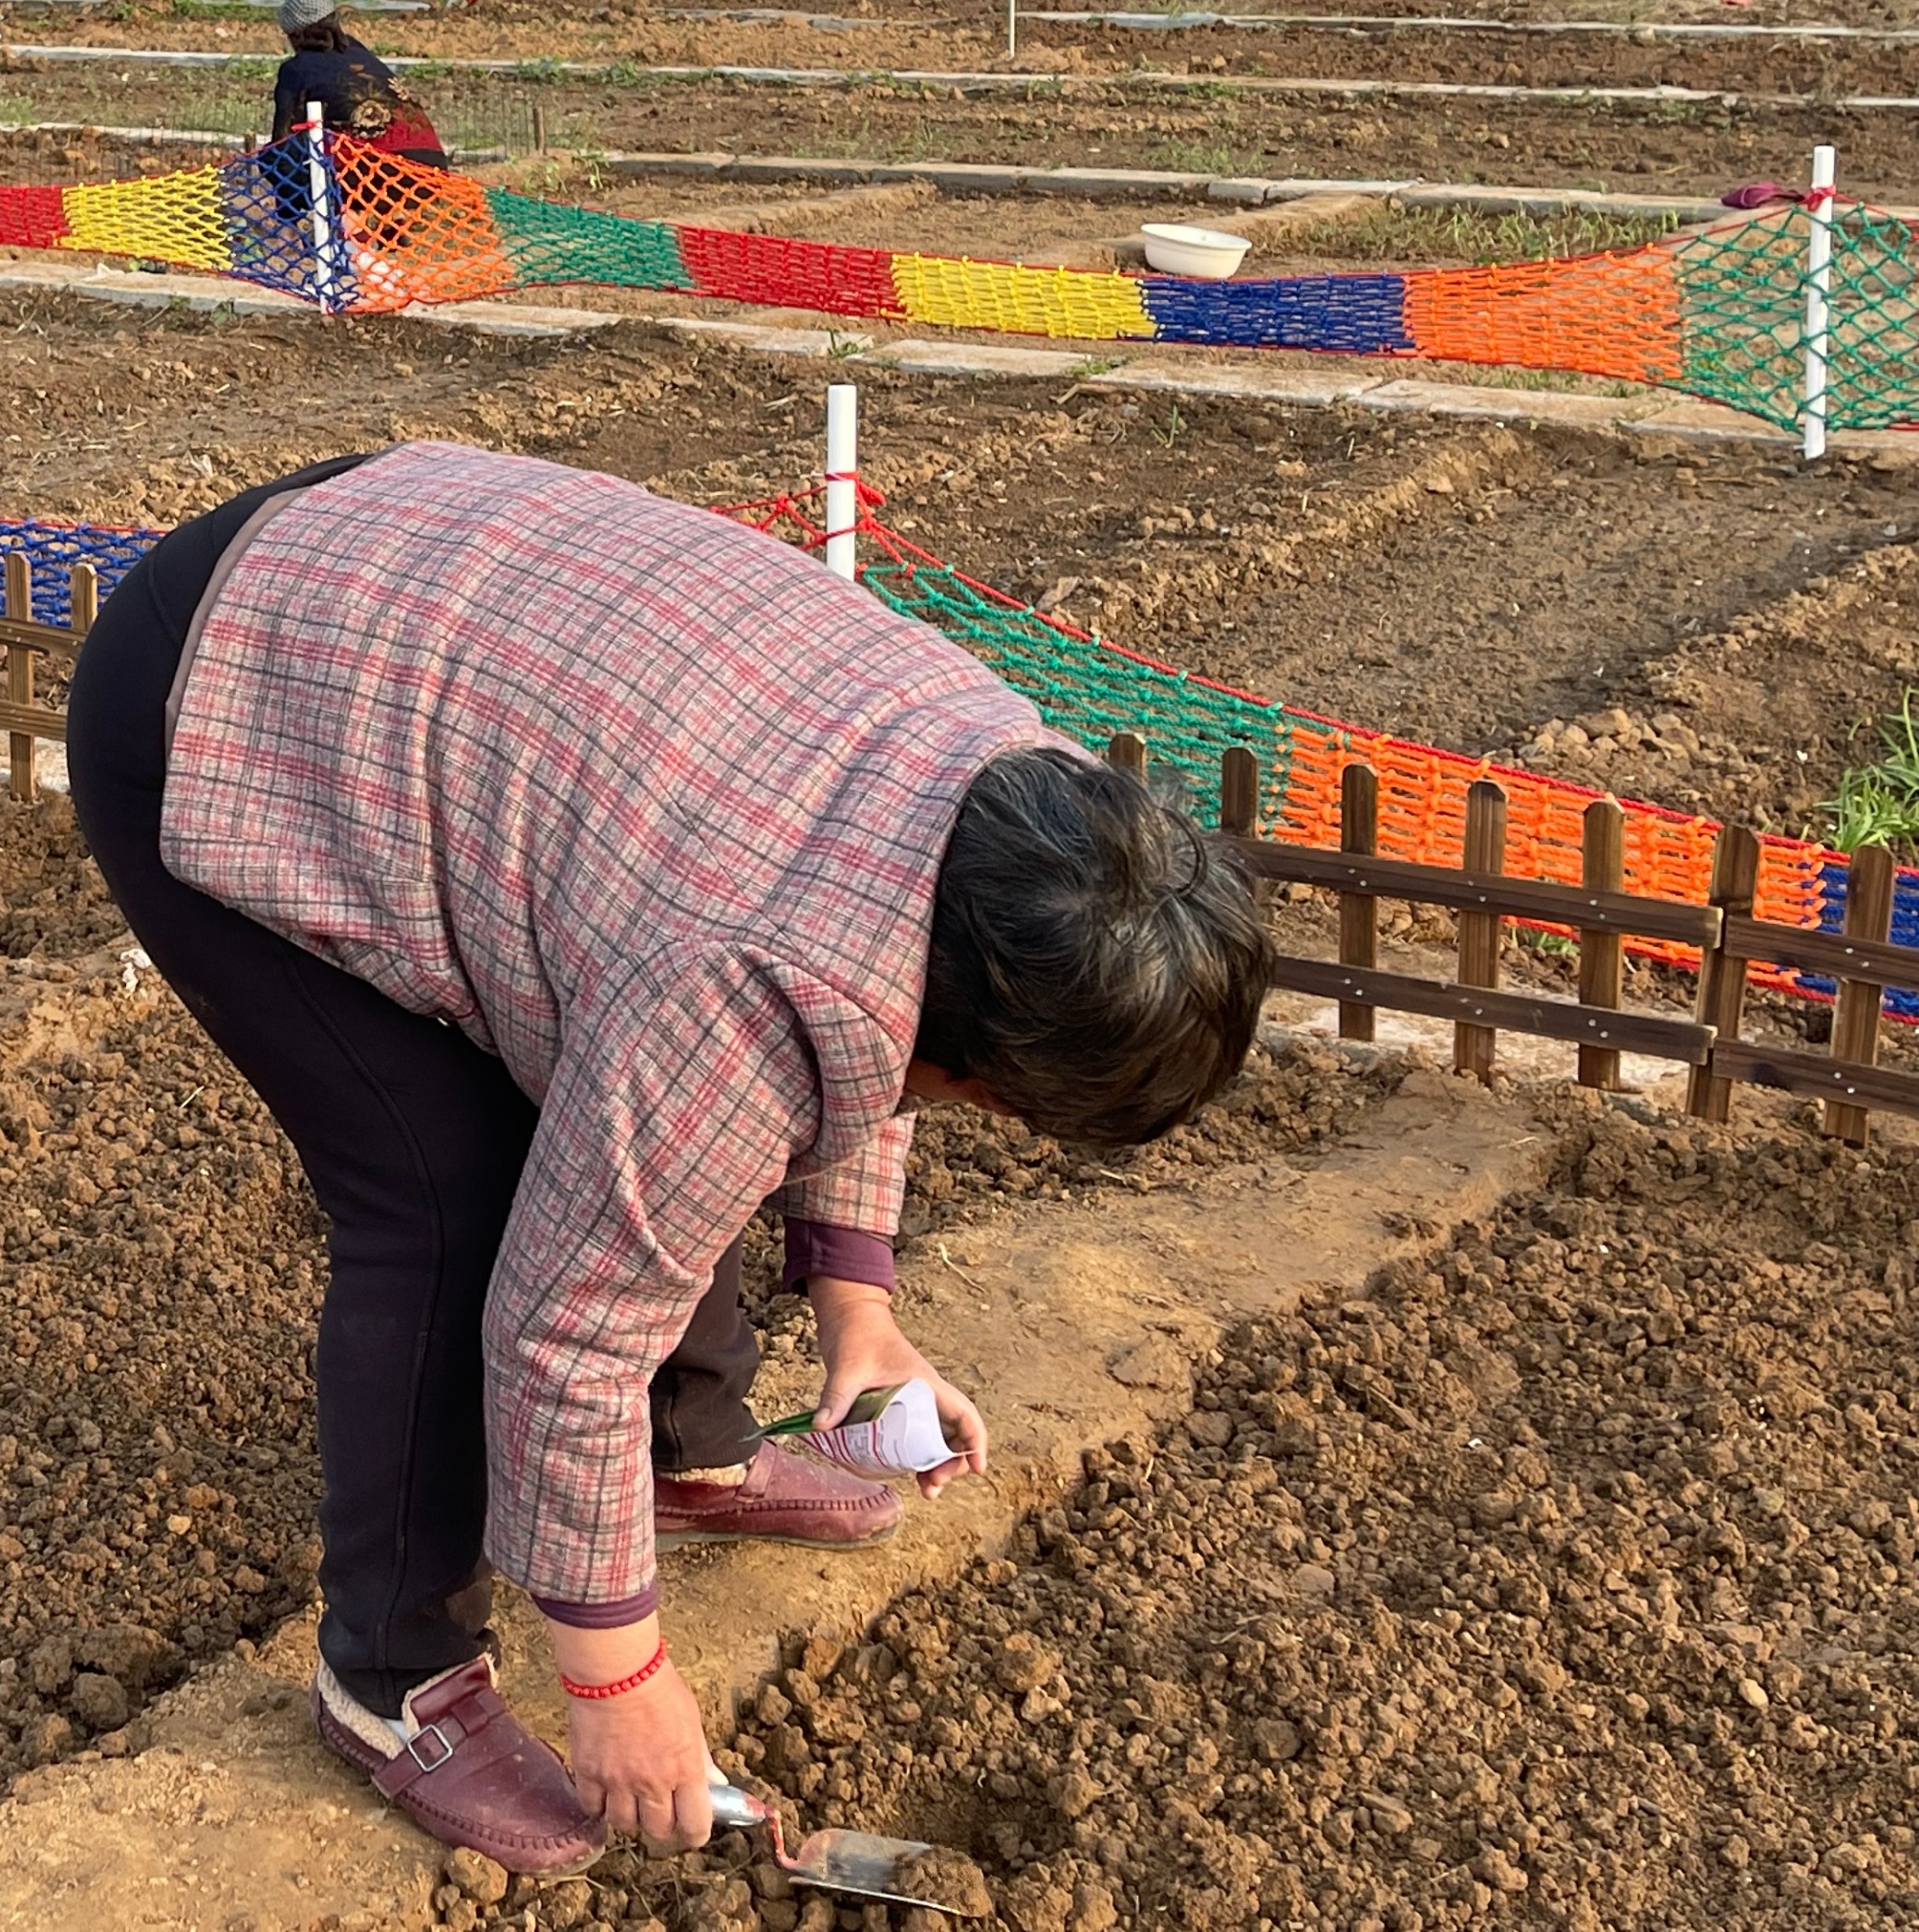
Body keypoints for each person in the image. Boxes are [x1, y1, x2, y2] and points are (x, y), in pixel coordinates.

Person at [62, 442, 1265, 1876]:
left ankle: (685, 1455)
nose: (968, 1113)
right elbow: (565, 1330)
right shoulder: (752, 977)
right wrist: (617, 1680)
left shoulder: (1025, 824)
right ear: (973, 1053)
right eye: (999, 1104)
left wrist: (855, 1303)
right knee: (453, 1193)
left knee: (638, 1124)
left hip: (430, 610)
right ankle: (390, 1684)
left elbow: (863, 1051)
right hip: (232, 692)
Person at [270, 0, 446, 166]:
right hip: (431, 166)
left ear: (297, 35)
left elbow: (281, 141)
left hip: (373, 172)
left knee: (277, 161)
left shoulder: (296, 68)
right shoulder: (358, 50)